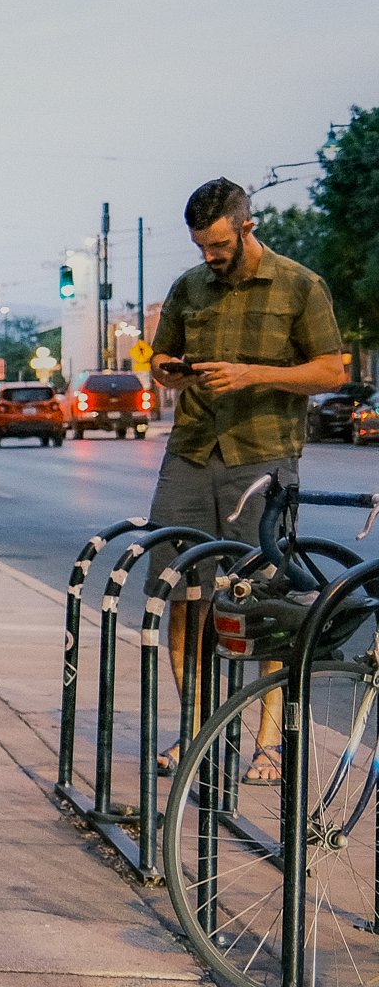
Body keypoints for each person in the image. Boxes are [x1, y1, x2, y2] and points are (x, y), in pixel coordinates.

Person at [148, 177, 345, 783]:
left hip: (262, 455)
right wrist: (171, 372)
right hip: (190, 452)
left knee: (262, 599)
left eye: (218, 244)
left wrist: (252, 374)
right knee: (181, 594)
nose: (209, 256)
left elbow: (331, 370)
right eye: (200, 246)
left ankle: (267, 742)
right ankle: (197, 732)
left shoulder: (300, 285)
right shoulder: (189, 286)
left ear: (247, 227)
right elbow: (158, 358)